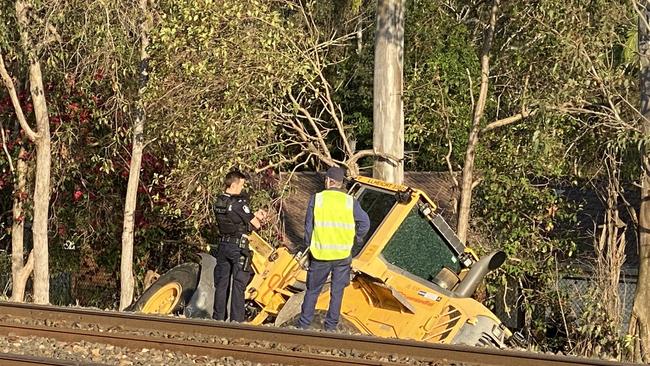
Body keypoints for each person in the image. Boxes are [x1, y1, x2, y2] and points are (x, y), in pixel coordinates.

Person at [297, 166, 370, 331]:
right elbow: (365, 223)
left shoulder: (317, 199)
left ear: (328, 181)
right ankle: (330, 327)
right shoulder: (350, 201)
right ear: (340, 183)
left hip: (320, 254)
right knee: (337, 292)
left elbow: (308, 226)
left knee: (312, 291)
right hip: (342, 256)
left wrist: (310, 245)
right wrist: (356, 240)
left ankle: (303, 325)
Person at [213, 170, 266, 322]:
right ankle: (236, 321)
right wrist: (258, 218)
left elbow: (234, 218)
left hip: (223, 245)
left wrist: (251, 215)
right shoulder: (239, 203)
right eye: (242, 185)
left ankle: (218, 319)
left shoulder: (219, 201)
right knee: (239, 284)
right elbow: (254, 224)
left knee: (221, 284)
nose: (242, 188)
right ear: (235, 184)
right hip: (238, 248)